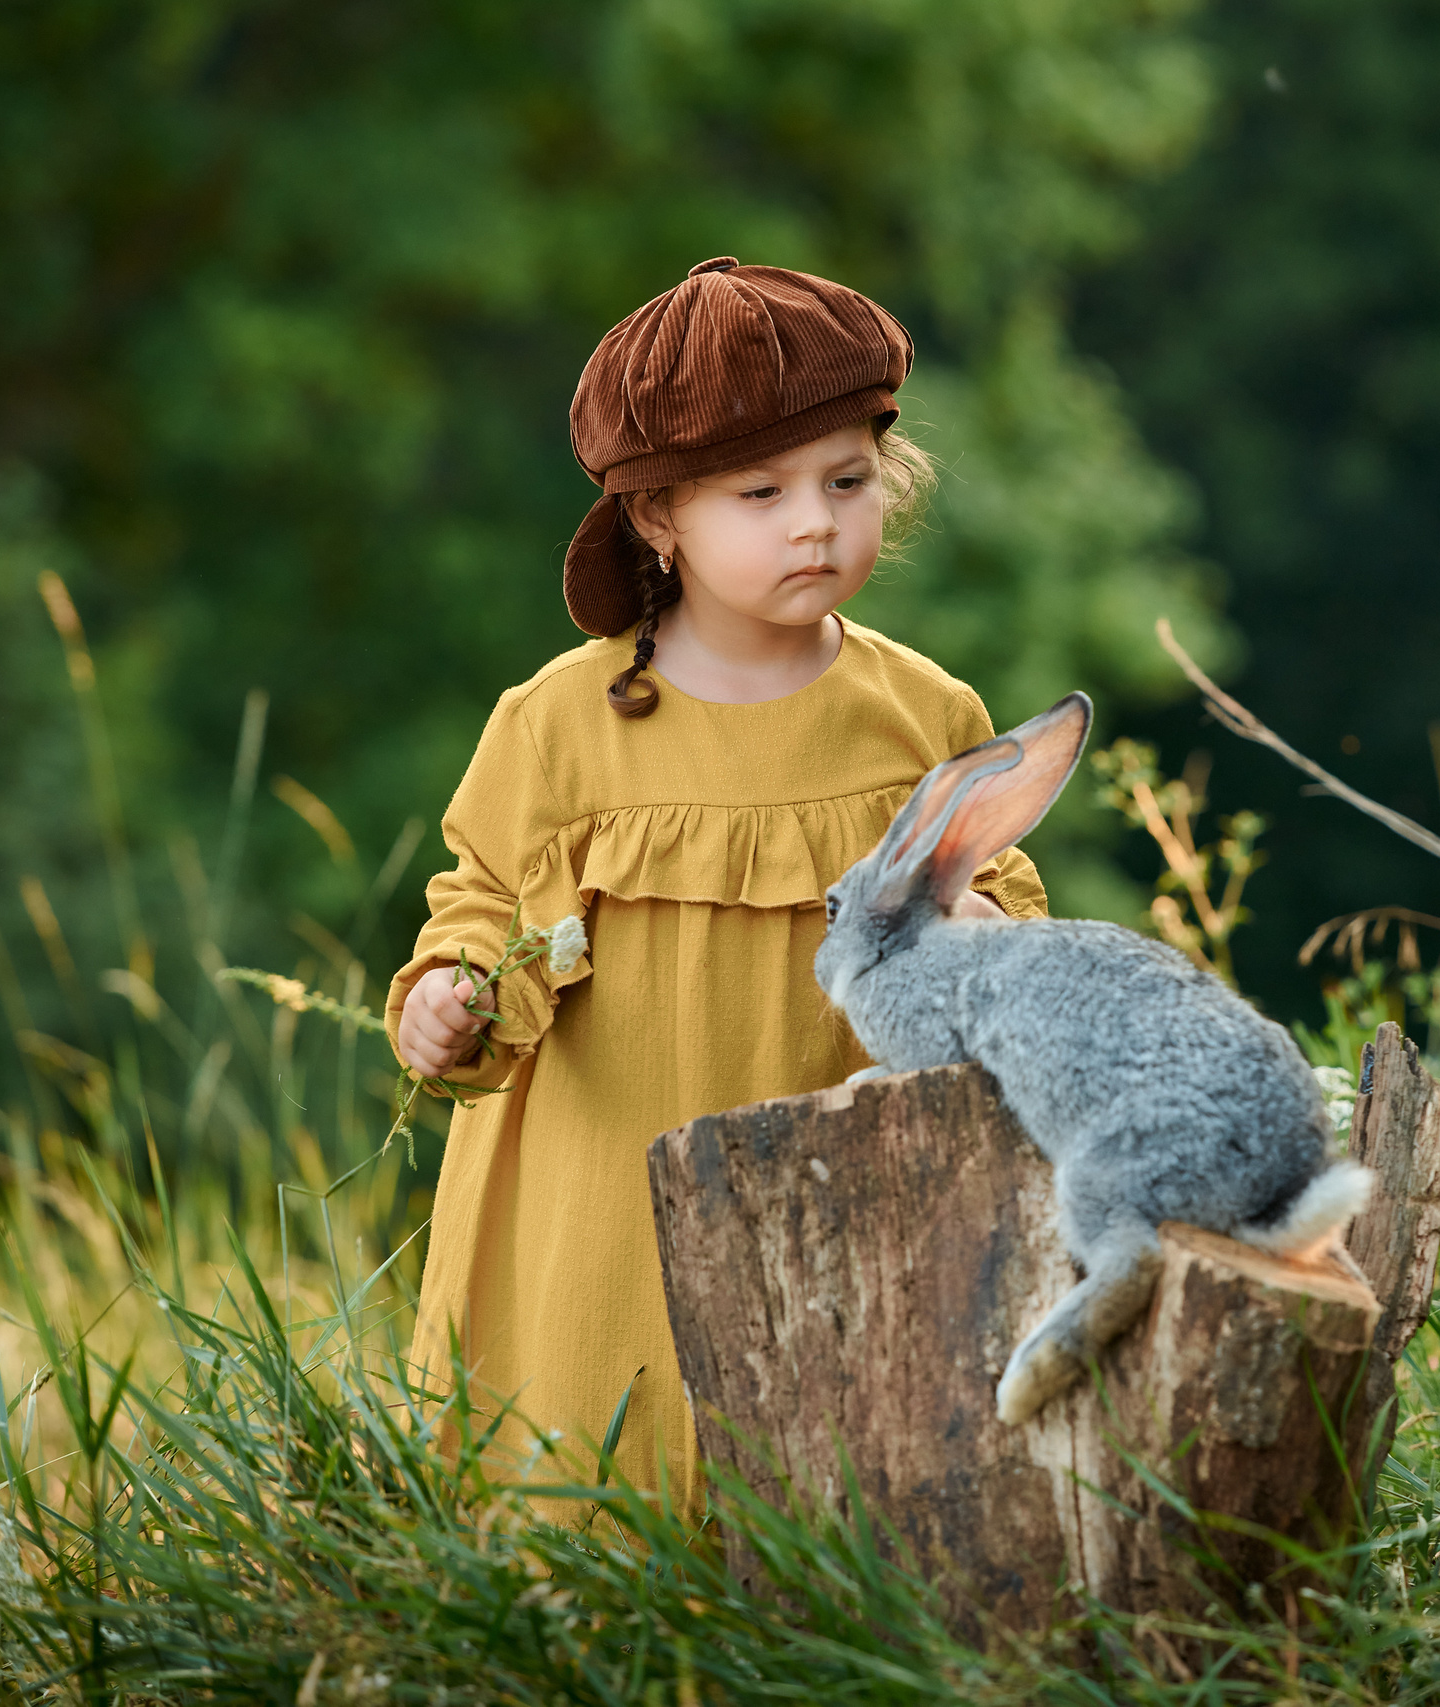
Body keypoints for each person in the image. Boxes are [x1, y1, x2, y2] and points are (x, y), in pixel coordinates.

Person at [383, 257, 1050, 1502]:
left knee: (819, 1502)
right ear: (657, 518)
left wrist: (978, 924)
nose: (815, 521)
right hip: (599, 1203)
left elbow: (1002, 889)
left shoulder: (918, 714)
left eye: (846, 482)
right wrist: (449, 994)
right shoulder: (558, 724)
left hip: (845, 1192)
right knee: (592, 1495)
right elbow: (477, 906)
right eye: (761, 491)